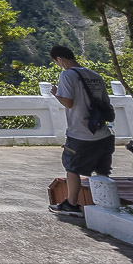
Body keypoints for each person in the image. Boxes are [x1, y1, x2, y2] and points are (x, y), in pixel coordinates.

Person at [48, 45, 114, 216]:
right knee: (102, 171)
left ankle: (72, 204)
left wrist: (56, 94)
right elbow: (106, 103)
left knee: (72, 168)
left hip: (80, 132)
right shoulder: (95, 75)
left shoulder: (67, 74)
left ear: (60, 60)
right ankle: (107, 204)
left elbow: (68, 103)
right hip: (103, 133)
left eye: (56, 62)